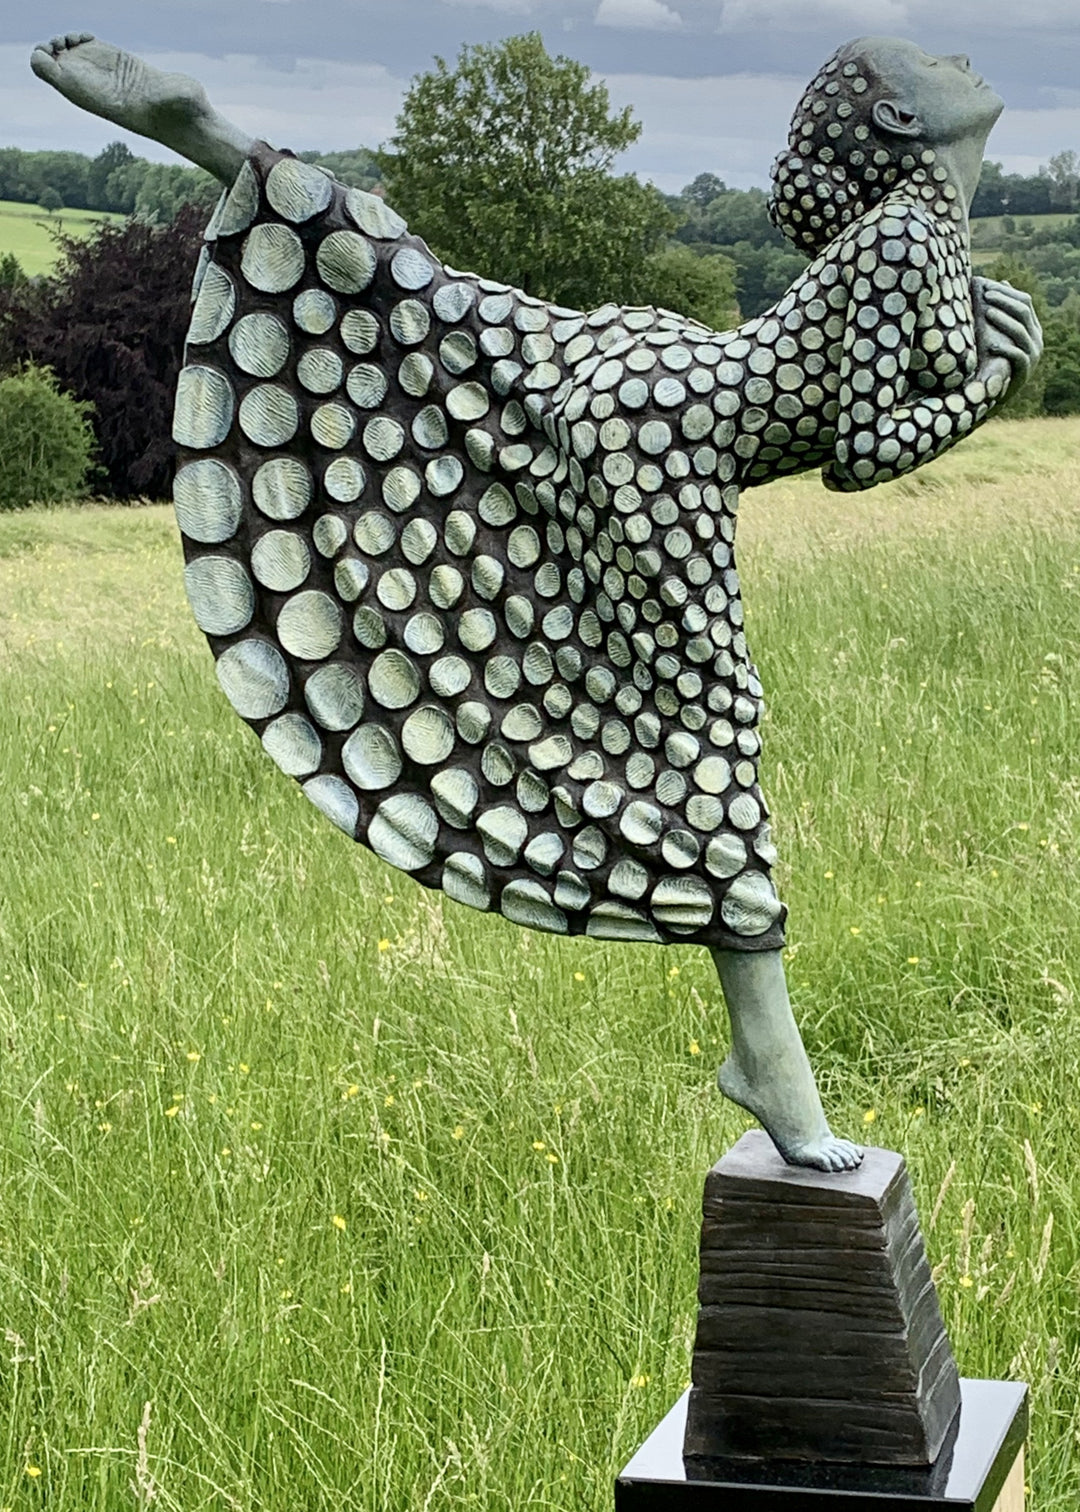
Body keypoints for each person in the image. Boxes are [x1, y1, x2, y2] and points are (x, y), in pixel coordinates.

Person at [31, 33, 1041, 1171]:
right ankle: (770, 1064)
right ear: (906, 126)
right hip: (664, 437)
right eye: (936, 59)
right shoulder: (910, 234)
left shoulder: (915, 237)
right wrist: (990, 386)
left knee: (445, 305)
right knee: (705, 731)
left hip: (660, 385)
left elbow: (862, 394)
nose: (964, 54)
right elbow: (862, 451)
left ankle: (213, 140)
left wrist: (979, 369)